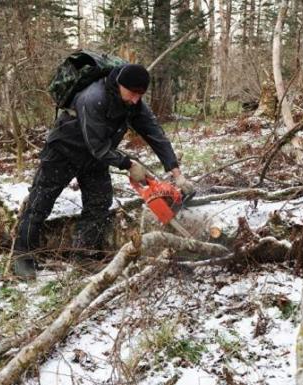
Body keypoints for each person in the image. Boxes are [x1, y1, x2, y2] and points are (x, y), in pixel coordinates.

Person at [13, 63, 193, 279]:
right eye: (133, 93)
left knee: (99, 202)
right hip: (63, 151)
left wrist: (176, 172)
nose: (136, 99)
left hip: (95, 157)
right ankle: (23, 257)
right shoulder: (93, 98)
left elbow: (155, 134)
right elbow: (97, 145)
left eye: (140, 95)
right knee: (40, 202)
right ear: (119, 85)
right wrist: (128, 164)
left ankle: (83, 255)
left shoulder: (133, 103)